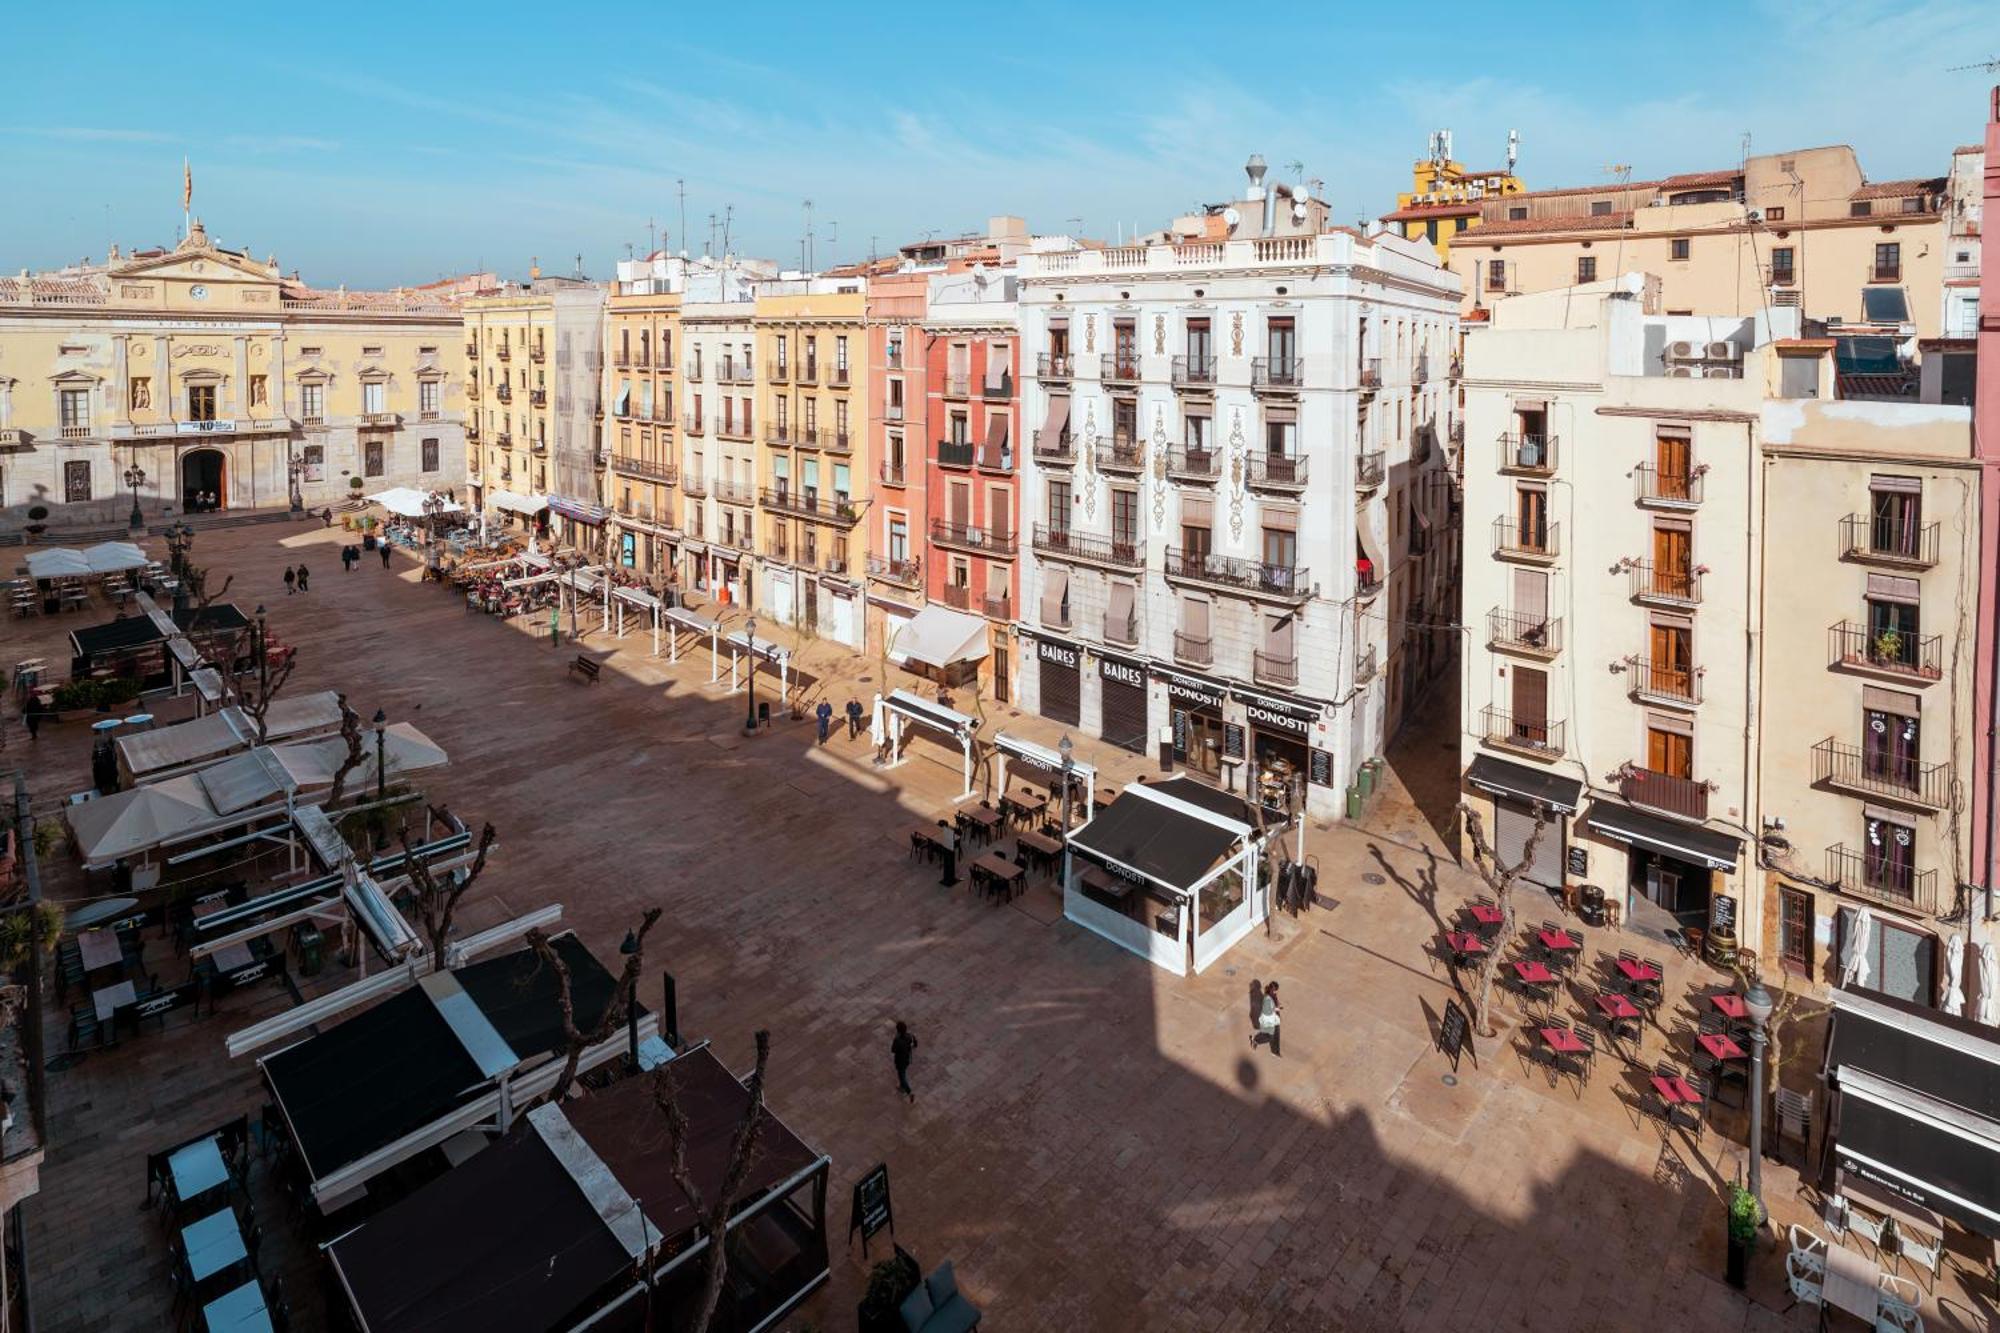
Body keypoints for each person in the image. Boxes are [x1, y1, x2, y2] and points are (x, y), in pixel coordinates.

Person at [891, 1021, 918, 1102]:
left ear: (898, 1030)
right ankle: (902, 1087)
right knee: (903, 1072)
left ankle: (909, 1092)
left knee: (902, 1075)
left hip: (900, 1060)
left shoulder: (897, 1040)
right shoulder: (909, 1036)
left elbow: (893, 1050)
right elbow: (915, 1045)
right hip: (907, 1058)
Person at [1255, 981, 1283, 1057]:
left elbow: (1275, 1003)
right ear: (1272, 989)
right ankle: (1256, 1040)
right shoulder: (1267, 998)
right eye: (1275, 990)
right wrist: (1276, 1009)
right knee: (1269, 1036)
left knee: (1276, 1035)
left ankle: (1275, 1051)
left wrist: (1278, 1006)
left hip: (1275, 1019)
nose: (1276, 992)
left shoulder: (1273, 995)